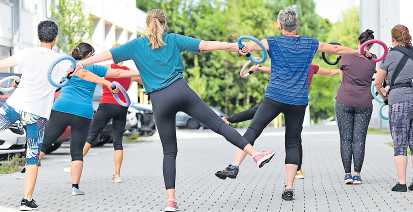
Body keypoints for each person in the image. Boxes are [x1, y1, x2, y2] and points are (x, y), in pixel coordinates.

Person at [75, 9, 275, 212]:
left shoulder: (135, 45)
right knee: (218, 125)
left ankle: (171, 202)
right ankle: (255, 154)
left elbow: (106, 55)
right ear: (165, 24)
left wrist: (80, 63)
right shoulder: (172, 39)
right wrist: (234, 46)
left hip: (160, 100)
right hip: (181, 91)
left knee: (169, 152)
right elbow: (205, 45)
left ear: (147, 25)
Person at [215, 6, 357, 201]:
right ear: (296, 24)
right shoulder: (310, 43)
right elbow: (336, 49)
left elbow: (249, 45)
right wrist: (359, 52)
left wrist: (243, 49)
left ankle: (234, 166)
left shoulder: (272, 41)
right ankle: (289, 188)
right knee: (292, 141)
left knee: (253, 130)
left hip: (275, 97)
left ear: (279, 24)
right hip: (298, 101)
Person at [39, 42, 138, 196]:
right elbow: (117, 74)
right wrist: (135, 73)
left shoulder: (67, 65)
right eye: (93, 55)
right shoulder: (94, 68)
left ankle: (28, 169)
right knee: (77, 152)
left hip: (61, 108)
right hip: (82, 113)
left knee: (44, 144)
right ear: (89, 56)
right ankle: (75, 187)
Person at [220, 64, 340, 180]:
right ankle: (297, 171)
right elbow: (329, 72)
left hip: (278, 99)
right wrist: (341, 70)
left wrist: (259, 68)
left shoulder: (288, 63)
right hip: (297, 103)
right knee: (294, 139)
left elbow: (272, 69)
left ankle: (234, 158)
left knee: (255, 119)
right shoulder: (311, 67)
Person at [0, 20, 64, 211]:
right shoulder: (61, 61)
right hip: (37, 114)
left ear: (38, 36)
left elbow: (3, 65)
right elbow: (65, 79)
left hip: (15, 107)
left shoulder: (27, 53)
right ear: (56, 37)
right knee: (32, 155)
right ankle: (26, 200)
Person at [82, 63, 141, 183]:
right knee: (118, 141)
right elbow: (141, 79)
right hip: (121, 106)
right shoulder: (128, 72)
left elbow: (93, 79)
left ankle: (74, 164)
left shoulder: (107, 70)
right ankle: (117, 175)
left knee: (91, 136)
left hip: (106, 105)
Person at [335, 29, 377, 185]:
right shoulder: (373, 60)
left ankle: (347, 175)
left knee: (346, 139)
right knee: (359, 139)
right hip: (364, 103)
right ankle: (357, 174)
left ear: (359, 41)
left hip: (344, 100)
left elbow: (341, 79)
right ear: (371, 45)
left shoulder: (346, 55)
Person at [375, 24, 413, 192]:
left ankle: (402, 183)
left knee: (399, 142)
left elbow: (377, 82)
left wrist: (384, 95)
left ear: (393, 39)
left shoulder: (390, 56)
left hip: (397, 101)